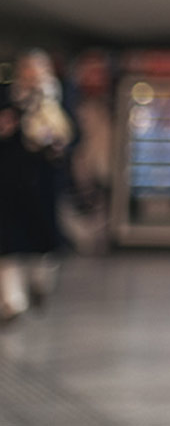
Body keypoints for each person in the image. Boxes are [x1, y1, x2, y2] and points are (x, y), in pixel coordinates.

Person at [0, 49, 76, 321]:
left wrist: (59, 144)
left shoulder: (60, 98)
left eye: (38, 71)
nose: (32, 77)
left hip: (44, 183)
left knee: (42, 244)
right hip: (9, 184)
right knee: (7, 244)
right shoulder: (6, 99)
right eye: (27, 71)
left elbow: (73, 135)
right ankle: (11, 301)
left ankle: (39, 284)